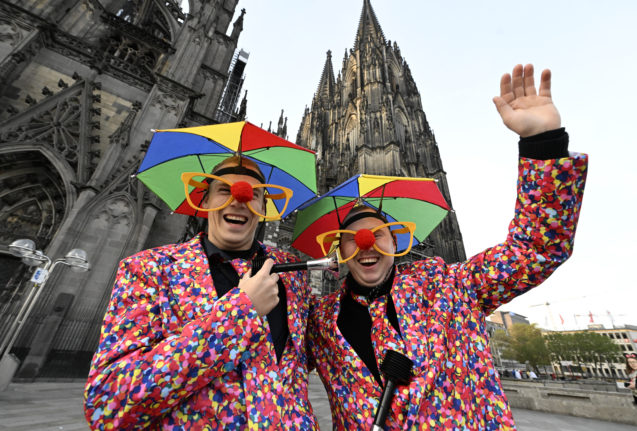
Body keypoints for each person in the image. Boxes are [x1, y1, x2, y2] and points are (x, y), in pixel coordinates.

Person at [306, 64, 588, 429]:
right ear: (339, 249)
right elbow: (267, 373)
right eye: (353, 238)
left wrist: (543, 145)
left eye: (377, 233)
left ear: (397, 240)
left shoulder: (449, 286)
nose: (365, 245)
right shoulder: (322, 323)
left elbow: (535, 249)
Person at [84, 156, 318, 429]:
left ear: (263, 206)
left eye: (253, 193)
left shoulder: (293, 274)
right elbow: (106, 404)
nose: (238, 198)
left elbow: (316, 354)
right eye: (223, 189)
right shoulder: (148, 269)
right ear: (204, 200)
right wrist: (240, 312)